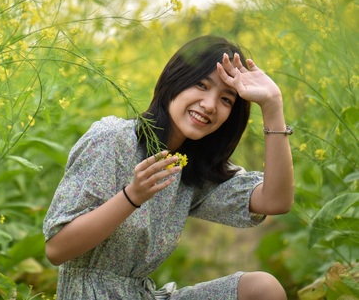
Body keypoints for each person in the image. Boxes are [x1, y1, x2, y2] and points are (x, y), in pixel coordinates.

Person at [43, 35, 294, 299]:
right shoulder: (113, 139)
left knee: (261, 289)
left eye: (226, 99)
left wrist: (272, 105)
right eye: (201, 85)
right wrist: (132, 196)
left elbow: (275, 200)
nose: (209, 105)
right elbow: (57, 250)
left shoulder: (189, 166)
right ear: (175, 81)